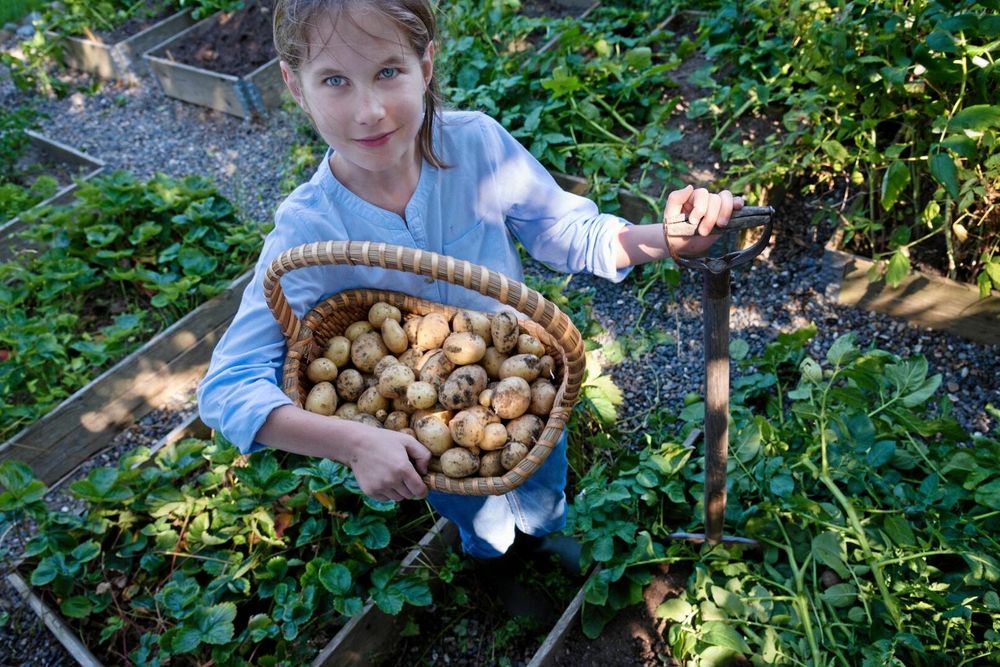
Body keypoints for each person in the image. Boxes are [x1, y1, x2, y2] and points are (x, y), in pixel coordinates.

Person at [197, 0, 742, 561]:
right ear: (294, 85)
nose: (370, 111)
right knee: (472, 512)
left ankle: (546, 528)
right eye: (334, 80)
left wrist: (667, 239)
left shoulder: (477, 146)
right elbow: (226, 388)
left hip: (527, 392)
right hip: (426, 442)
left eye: (389, 71)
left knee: (543, 479)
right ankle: (489, 552)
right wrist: (356, 442)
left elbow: (568, 232)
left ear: (426, 65)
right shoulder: (307, 232)